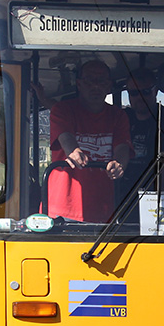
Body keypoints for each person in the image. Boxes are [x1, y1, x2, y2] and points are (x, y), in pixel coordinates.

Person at [48, 59, 132, 222]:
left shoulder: (118, 116)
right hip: (62, 211)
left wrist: (119, 164)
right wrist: (73, 151)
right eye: (89, 81)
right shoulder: (62, 110)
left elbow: (123, 147)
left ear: (108, 86)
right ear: (79, 84)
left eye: (101, 81)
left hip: (104, 211)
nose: (95, 86)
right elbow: (65, 137)